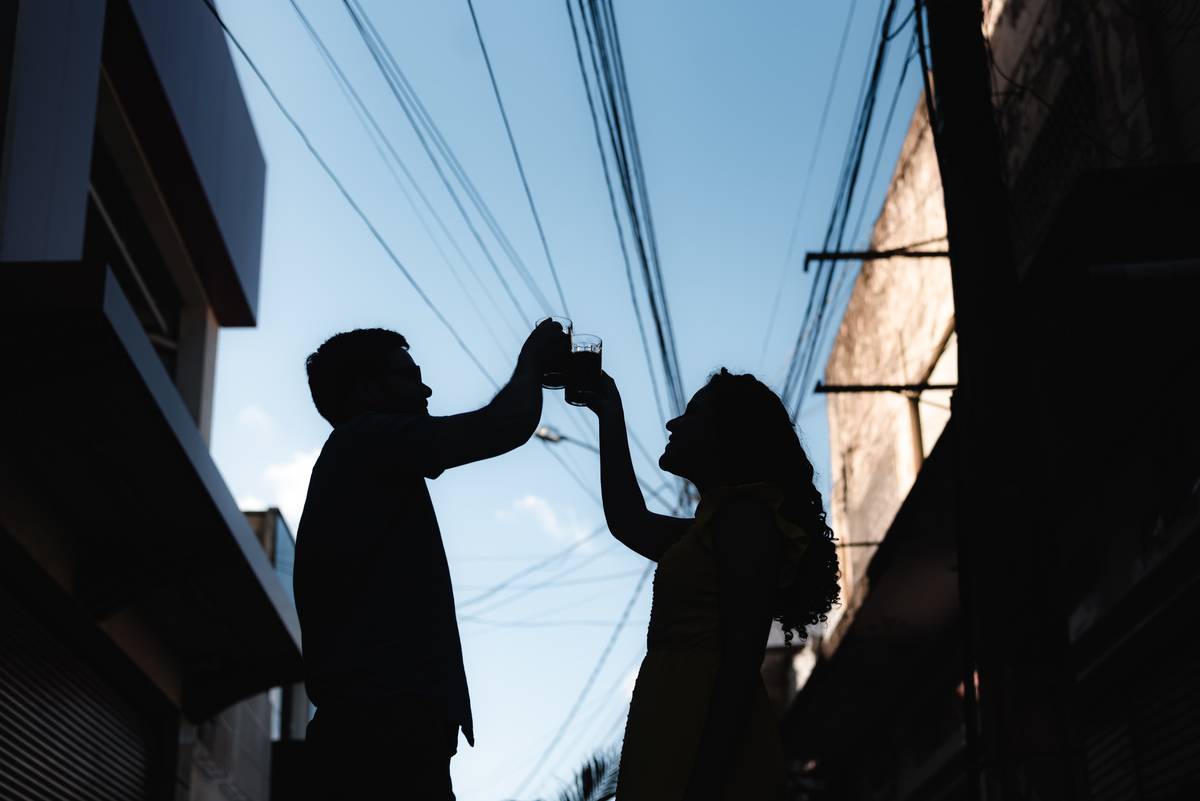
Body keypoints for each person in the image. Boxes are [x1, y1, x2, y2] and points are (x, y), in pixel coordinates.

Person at [293, 321, 563, 800]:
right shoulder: (366, 438)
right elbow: (505, 424)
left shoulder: (358, 455)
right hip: (382, 727)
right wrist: (533, 361)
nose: (426, 388)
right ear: (367, 391)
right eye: (409, 375)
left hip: (376, 724)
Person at [585, 368, 840, 801]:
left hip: (704, 734)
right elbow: (629, 521)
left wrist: (704, 781)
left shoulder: (745, 519)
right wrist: (608, 410)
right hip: (678, 717)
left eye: (693, 412)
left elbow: (743, 661)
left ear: (728, 432)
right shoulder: (719, 523)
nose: (674, 424)